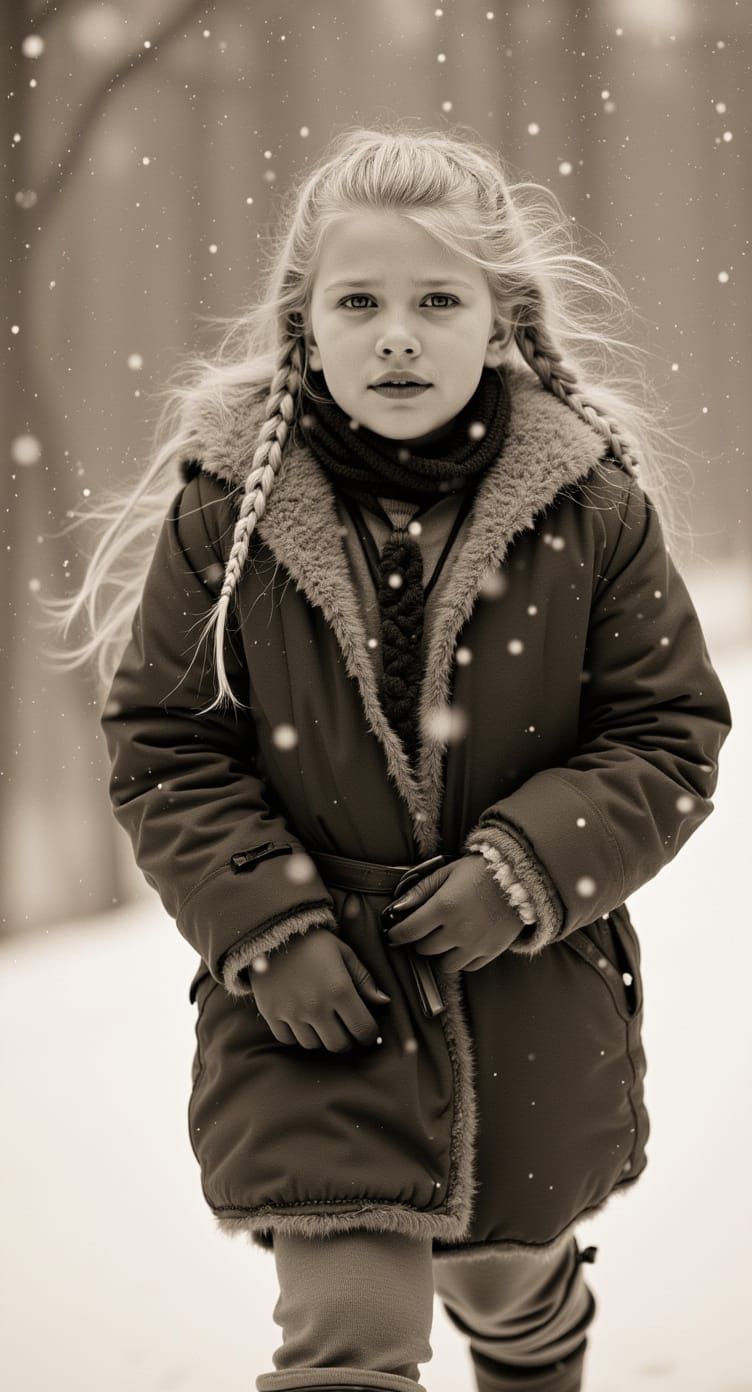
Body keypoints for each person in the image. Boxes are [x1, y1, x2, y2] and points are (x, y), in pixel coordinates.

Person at [48, 124, 732, 1392]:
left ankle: (535, 1325)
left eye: (435, 300)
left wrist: (526, 869)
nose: (396, 335)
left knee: (499, 1274)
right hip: (317, 1011)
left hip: (521, 992)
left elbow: (667, 733)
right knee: (347, 1334)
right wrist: (268, 925)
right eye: (357, 302)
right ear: (303, 323)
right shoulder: (226, 510)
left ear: (500, 317)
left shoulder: (590, 509)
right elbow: (164, 745)